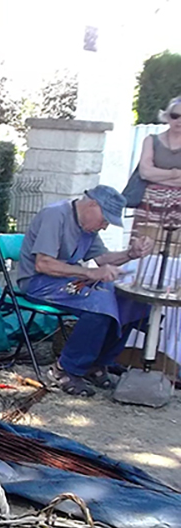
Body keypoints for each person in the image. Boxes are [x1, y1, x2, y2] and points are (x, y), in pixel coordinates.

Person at [15, 185, 155, 397]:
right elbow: (43, 264)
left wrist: (131, 253)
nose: (105, 226)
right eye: (105, 220)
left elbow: (102, 259)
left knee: (131, 300)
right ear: (92, 205)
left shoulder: (87, 225)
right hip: (38, 283)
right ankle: (65, 369)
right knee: (99, 304)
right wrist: (89, 274)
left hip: (66, 280)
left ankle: (97, 363)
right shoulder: (55, 215)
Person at [130, 95, 181, 264]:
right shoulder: (151, 140)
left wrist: (159, 175)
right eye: (175, 116)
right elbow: (145, 172)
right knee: (142, 250)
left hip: (179, 208)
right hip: (149, 205)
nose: (179, 121)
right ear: (167, 116)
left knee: (173, 256)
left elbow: (152, 174)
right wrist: (175, 174)